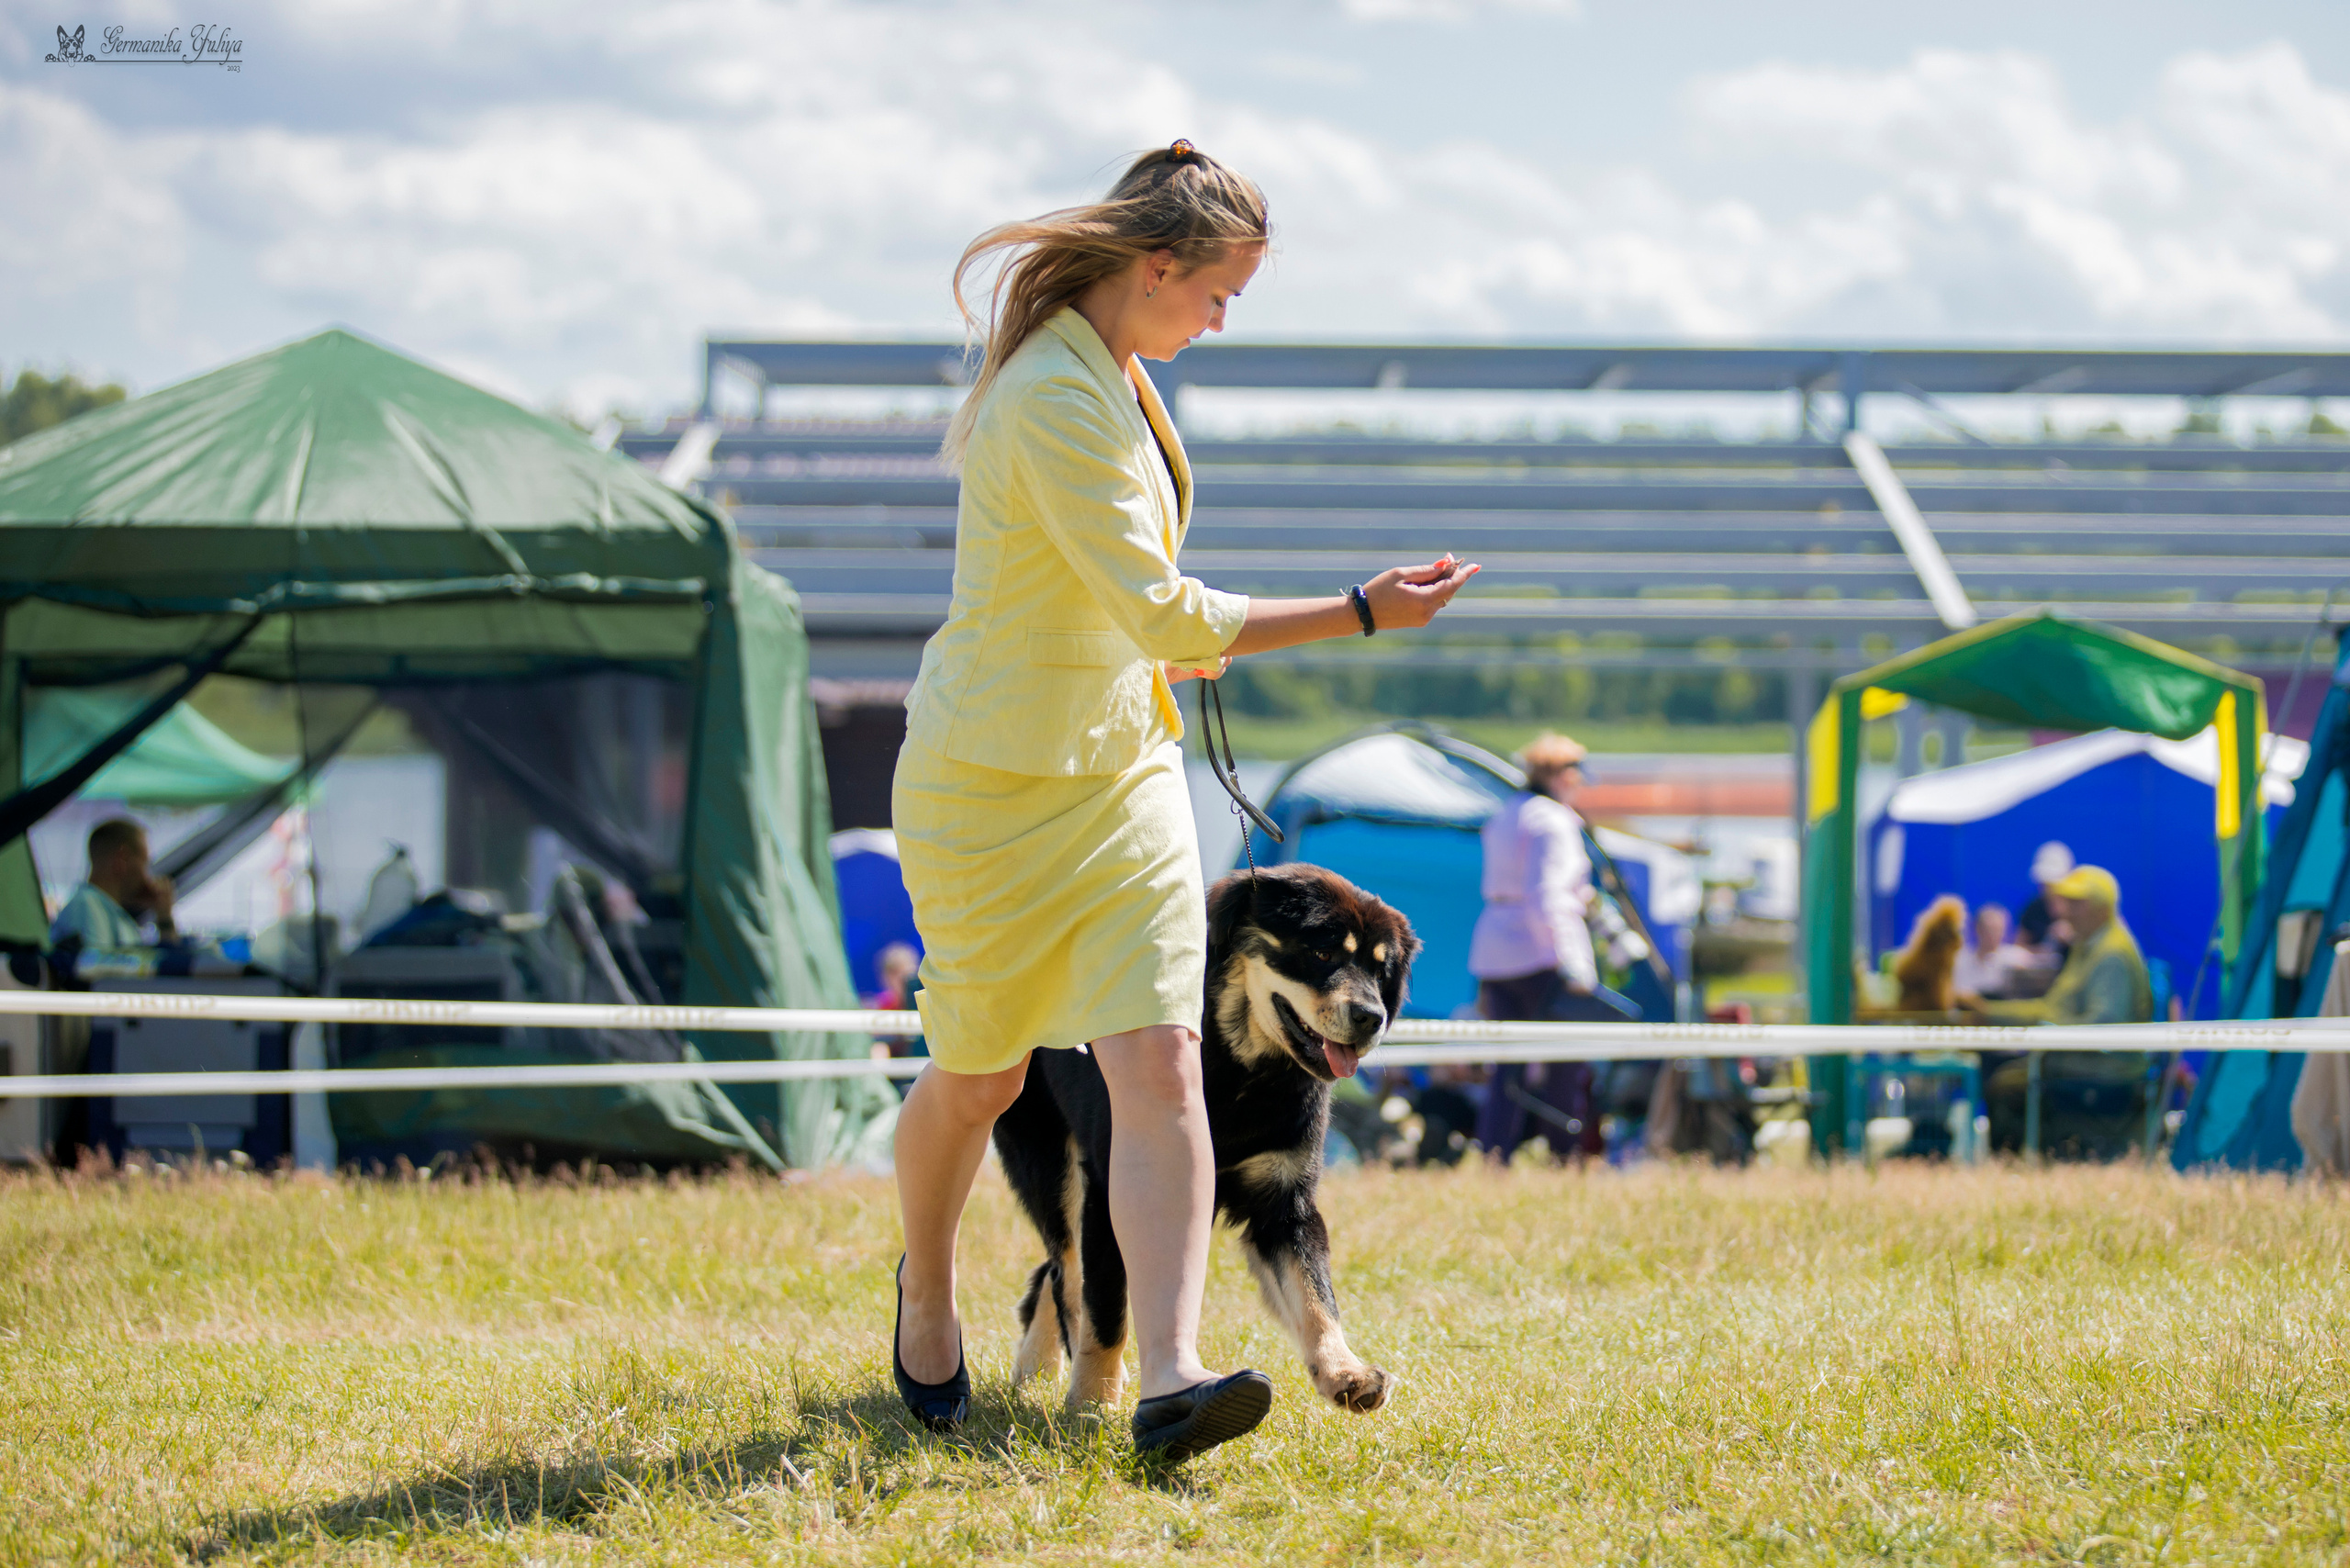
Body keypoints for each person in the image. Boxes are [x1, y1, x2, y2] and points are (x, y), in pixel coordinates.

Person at [888, 140, 1478, 1461]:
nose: (1219, 322)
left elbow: (1135, 614)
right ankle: (926, 1287)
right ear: (1155, 269)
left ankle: (1172, 1373)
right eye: (1217, 296)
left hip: (1126, 774)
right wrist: (1362, 612)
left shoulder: (1128, 375)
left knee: (1161, 1066)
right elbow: (1157, 603)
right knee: (979, 1081)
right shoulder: (1051, 395)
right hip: (992, 786)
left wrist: (1178, 650)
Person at [1467, 734, 1629, 1163]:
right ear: (1560, 774)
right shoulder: (1554, 820)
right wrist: (1573, 965)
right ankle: (1565, 1158)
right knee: (1565, 1063)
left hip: (1496, 954)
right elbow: (1548, 896)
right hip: (1542, 956)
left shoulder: (1506, 814)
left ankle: (1494, 1157)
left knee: (1508, 1066)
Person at [1962, 865, 2153, 1156]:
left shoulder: (2111, 954)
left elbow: (2103, 1029)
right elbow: (2049, 1010)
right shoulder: (2089, 946)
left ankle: (2022, 1169)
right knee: (2006, 1081)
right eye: (2066, 902)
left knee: (2006, 1087)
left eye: (2077, 903)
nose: (2065, 911)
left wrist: (2045, 1035)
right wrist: (1988, 1011)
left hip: (2104, 1075)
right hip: (2082, 1066)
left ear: (2102, 909)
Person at [49, 817, 178, 959]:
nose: (147, 877)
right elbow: (102, 977)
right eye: (144, 864)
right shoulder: (87, 907)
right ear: (122, 857)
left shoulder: (114, 915)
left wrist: (164, 918)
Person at [1952, 902, 2030, 1001]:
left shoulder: (2017, 958)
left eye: (1998, 929)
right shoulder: (1959, 960)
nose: (1993, 935)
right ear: (1977, 929)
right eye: (1988, 929)